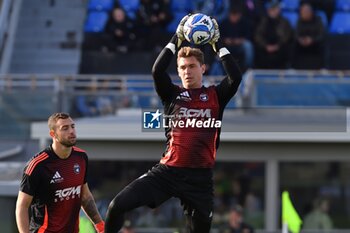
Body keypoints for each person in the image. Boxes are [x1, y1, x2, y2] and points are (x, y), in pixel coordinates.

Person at [105, 14, 242, 233]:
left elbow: (235, 77)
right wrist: (176, 38)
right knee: (116, 206)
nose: (187, 71)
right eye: (183, 67)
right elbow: (157, 71)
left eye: (192, 66)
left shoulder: (216, 95)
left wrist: (218, 44)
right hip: (167, 172)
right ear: (178, 71)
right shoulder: (172, 95)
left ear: (203, 68)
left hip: (200, 179)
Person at [15, 112, 105, 233]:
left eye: (73, 126)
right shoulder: (37, 165)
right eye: (65, 128)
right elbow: (22, 206)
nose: (72, 131)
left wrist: (100, 225)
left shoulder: (81, 157)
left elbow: (85, 196)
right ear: (53, 134)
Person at [254, 0, 293, 69]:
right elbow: (258, 35)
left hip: (280, 47)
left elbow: (287, 36)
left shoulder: (285, 22)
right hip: (265, 47)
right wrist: (265, 46)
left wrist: (277, 45)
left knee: (287, 48)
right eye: (272, 8)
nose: (274, 10)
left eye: (276, 8)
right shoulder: (263, 21)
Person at [292, 2, 325, 69]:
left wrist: (312, 40)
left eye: (307, 11)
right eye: (303, 11)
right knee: (293, 43)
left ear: (311, 12)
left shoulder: (318, 20)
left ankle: (321, 67)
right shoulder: (299, 21)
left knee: (321, 43)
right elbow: (296, 34)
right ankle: (293, 67)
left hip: (315, 44)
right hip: (301, 45)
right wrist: (300, 40)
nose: (305, 13)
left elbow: (321, 35)